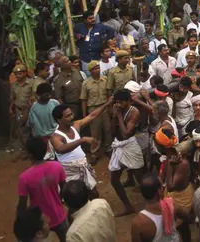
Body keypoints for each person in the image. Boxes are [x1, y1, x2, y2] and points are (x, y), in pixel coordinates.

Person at [50, 101, 110, 196]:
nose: (72, 117)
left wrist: (107, 103)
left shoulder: (75, 126)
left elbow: (92, 116)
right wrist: (82, 140)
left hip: (83, 167)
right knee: (75, 199)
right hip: (69, 172)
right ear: (59, 120)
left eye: (71, 114)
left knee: (94, 194)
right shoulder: (56, 136)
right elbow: (60, 149)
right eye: (67, 116)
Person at [17, 137, 68, 242]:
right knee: (68, 240)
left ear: (30, 155)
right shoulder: (57, 166)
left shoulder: (24, 178)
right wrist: (58, 200)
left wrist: (21, 223)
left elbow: (22, 205)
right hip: (58, 214)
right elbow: (64, 188)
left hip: (38, 220)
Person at [109, 88, 145, 216]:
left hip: (130, 145)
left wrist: (118, 116)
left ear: (128, 101)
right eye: (116, 102)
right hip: (118, 145)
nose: (118, 105)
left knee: (141, 178)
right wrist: (114, 117)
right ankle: (128, 206)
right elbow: (112, 131)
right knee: (114, 180)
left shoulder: (134, 112)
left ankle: (157, 203)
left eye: (121, 102)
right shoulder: (117, 110)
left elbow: (126, 133)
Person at [131, 172, 183, 242]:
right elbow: (185, 216)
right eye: (162, 187)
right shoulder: (172, 205)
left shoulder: (138, 223)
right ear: (159, 191)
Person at [79, 60, 111, 165]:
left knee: (107, 130)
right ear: (91, 71)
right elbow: (84, 99)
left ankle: (108, 149)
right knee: (95, 132)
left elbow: (108, 94)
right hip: (93, 109)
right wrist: (85, 115)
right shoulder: (86, 83)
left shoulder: (105, 80)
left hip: (105, 107)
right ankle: (94, 154)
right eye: (95, 69)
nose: (98, 70)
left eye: (98, 68)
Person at [28, 83, 60, 159]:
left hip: (56, 135)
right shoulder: (34, 108)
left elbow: (60, 118)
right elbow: (33, 125)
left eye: (50, 95)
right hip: (43, 138)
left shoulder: (55, 103)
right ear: (39, 95)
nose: (49, 97)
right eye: (46, 95)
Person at [9, 64, 34, 151]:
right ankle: (25, 149)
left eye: (20, 73)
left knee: (32, 129)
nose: (17, 76)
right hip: (19, 110)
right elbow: (13, 98)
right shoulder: (14, 86)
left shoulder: (31, 83)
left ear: (24, 73)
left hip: (29, 109)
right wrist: (10, 109)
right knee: (22, 130)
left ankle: (33, 148)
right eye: (16, 74)